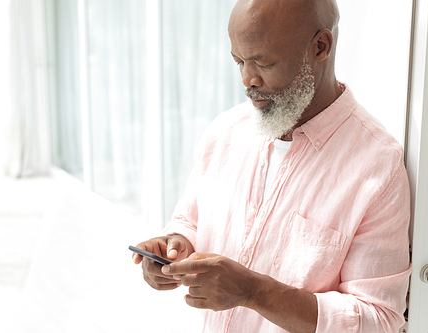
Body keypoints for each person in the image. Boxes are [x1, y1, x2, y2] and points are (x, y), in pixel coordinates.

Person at [133, 0, 411, 332]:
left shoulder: (378, 168)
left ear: (320, 46)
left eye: (263, 62)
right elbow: (189, 220)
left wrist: (254, 292)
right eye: (239, 61)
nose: (248, 79)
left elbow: (379, 320)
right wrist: (175, 246)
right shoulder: (224, 133)